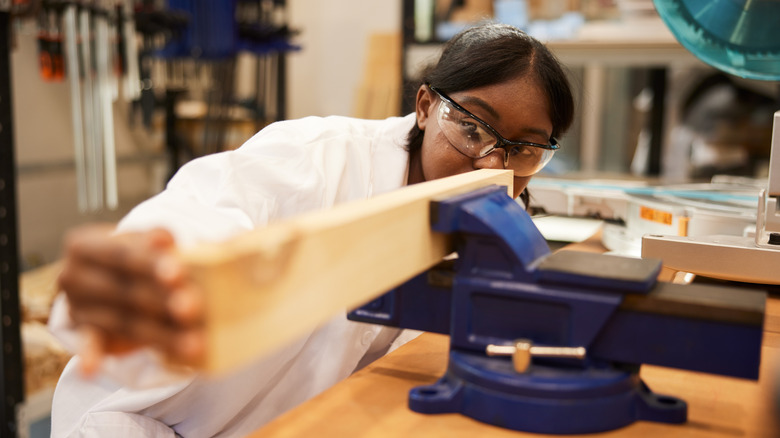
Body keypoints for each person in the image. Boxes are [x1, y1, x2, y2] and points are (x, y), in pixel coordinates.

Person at [50, 22, 574, 437]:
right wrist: (153, 276)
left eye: (525, 148)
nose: (491, 164)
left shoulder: (498, 218)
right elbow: (203, 213)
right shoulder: (319, 157)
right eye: (471, 127)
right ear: (424, 106)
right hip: (148, 421)